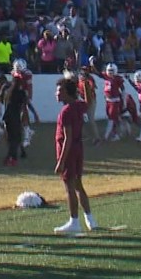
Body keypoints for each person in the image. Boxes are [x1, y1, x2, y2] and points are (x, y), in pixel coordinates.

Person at [53, 77, 97, 234]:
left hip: (70, 151)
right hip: (79, 148)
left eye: (59, 91)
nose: (56, 94)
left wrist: (61, 162)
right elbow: (89, 102)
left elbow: (67, 137)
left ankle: (74, 221)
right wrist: (85, 84)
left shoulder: (66, 112)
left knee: (70, 187)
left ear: (67, 92)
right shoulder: (78, 106)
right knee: (78, 184)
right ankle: (90, 220)